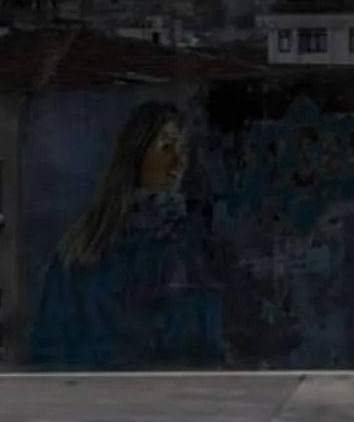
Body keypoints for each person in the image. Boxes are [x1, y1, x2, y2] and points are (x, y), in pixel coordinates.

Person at [27, 101, 224, 368]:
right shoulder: (83, 249)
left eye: (183, 150)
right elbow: (49, 351)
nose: (178, 163)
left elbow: (207, 348)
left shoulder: (194, 245)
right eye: (166, 148)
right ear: (137, 156)